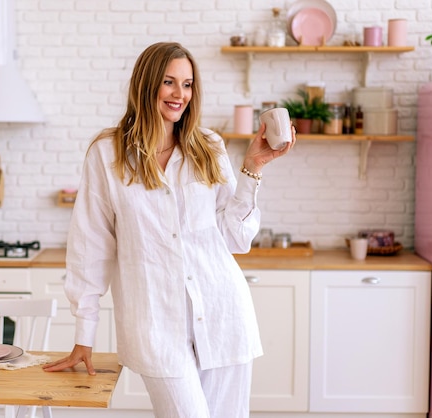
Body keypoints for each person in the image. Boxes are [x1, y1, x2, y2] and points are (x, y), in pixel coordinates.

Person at [43, 41, 296, 418]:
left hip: (222, 315)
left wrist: (253, 168)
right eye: (169, 82)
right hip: (156, 326)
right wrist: (85, 336)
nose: (180, 94)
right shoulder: (107, 154)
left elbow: (233, 239)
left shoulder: (208, 146)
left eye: (188, 84)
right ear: (146, 85)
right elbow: (90, 247)